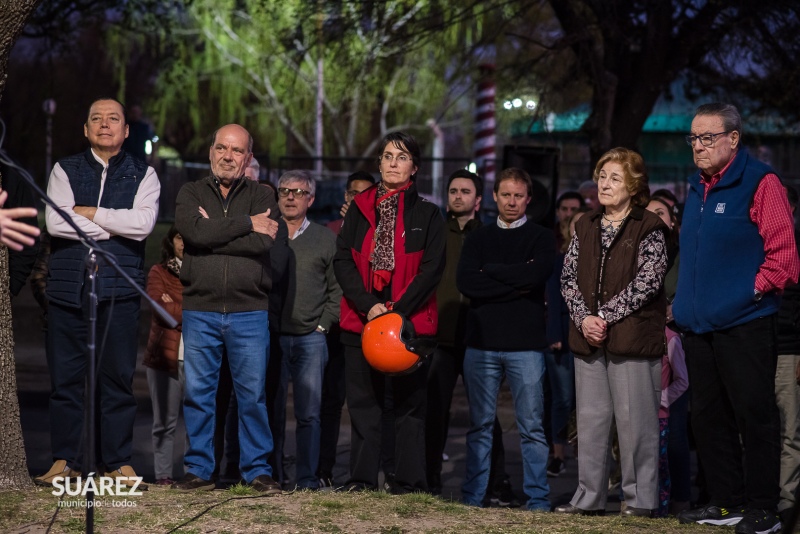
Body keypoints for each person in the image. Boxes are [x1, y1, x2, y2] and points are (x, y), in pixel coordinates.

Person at [674, 103, 799, 534]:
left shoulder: (761, 181)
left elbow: (783, 259)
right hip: (698, 328)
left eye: (708, 137)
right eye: (693, 137)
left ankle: (762, 508)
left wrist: (744, 295)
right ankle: (725, 503)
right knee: (707, 417)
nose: (699, 146)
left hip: (746, 323)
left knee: (755, 416)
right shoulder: (696, 187)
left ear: (733, 138)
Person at [35, 97, 160, 488]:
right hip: (67, 290)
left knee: (118, 380)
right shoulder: (64, 168)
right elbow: (56, 222)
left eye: (113, 119)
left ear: (126, 130)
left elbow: (141, 226)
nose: (105, 125)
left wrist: (88, 213)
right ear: (85, 129)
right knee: (65, 380)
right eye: (96, 119)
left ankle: (117, 461)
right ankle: (64, 460)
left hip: (119, 292)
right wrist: (111, 225)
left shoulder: (145, 175)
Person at [557, 147, 668, 517]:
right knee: (590, 423)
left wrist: (603, 315)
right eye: (602, 176)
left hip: (632, 340)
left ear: (634, 185)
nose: (604, 184)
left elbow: (649, 281)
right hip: (588, 337)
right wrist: (585, 318)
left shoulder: (649, 227)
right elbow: (568, 278)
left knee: (637, 426)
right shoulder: (585, 224)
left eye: (614, 178)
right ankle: (589, 497)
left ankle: (640, 501)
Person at [333, 131, 445, 493]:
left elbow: (431, 269)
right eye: (386, 156)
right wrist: (369, 306)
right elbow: (343, 261)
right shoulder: (360, 209)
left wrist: (396, 312)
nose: (393, 163)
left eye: (401, 157)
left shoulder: (428, 214)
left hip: (410, 325)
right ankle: (362, 479)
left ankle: (409, 482)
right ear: (378, 163)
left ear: (414, 167)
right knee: (364, 404)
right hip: (362, 320)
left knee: (410, 406)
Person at [172, 123, 281, 494]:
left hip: (250, 311)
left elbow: (262, 244)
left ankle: (257, 471)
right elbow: (193, 234)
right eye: (222, 148)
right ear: (211, 151)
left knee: (252, 396)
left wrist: (211, 232)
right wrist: (246, 224)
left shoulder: (263, 193)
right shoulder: (189, 191)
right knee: (198, 394)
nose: (228, 156)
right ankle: (199, 470)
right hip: (200, 309)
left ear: (248, 157)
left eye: (237, 151)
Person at [457, 167, 555, 512]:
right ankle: (473, 497)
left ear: (528, 199)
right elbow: (468, 284)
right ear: (495, 197)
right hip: (481, 343)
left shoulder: (542, 237)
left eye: (518, 196)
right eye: (506, 195)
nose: (512, 202)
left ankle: (538, 500)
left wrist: (492, 272)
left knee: (532, 427)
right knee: (480, 425)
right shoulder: (478, 238)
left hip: (526, 345)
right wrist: (518, 281)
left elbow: (537, 275)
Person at [270, 170, 342, 490]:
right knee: (269, 411)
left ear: (310, 199)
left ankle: (306, 478)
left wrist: (323, 325)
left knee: (309, 415)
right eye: (285, 190)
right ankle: (270, 475)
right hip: (270, 336)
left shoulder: (326, 238)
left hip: (311, 338)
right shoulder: (266, 233)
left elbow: (337, 290)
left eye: (298, 192)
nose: (289, 196)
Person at [143, 225, 185, 485]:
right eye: (180, 237)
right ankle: (163, 476)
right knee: (164, 422)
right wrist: (190, 307)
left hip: (197, 356)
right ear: (171, 241)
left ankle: (196, 472)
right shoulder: (159, 271)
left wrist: (176, 304)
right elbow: (162, 309)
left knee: (198, 420)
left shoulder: (204, 272)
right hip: (164, 357)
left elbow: (209, 310)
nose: (184, 243)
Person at [776, 185, 800, 526]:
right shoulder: (752, 244)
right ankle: (761, 500)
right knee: (755, 431)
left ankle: (788, 503)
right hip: (753, 348)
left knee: (789, 433)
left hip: (790, 349)